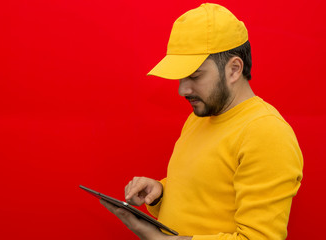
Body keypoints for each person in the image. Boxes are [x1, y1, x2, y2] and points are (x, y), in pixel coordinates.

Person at [100, 3, 303, 240]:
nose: (182, 90)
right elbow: (204, 197)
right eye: (180, 77)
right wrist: (160, 194)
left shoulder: (266, 132)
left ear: (234, 69)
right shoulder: (199, 118)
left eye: (195, 76)